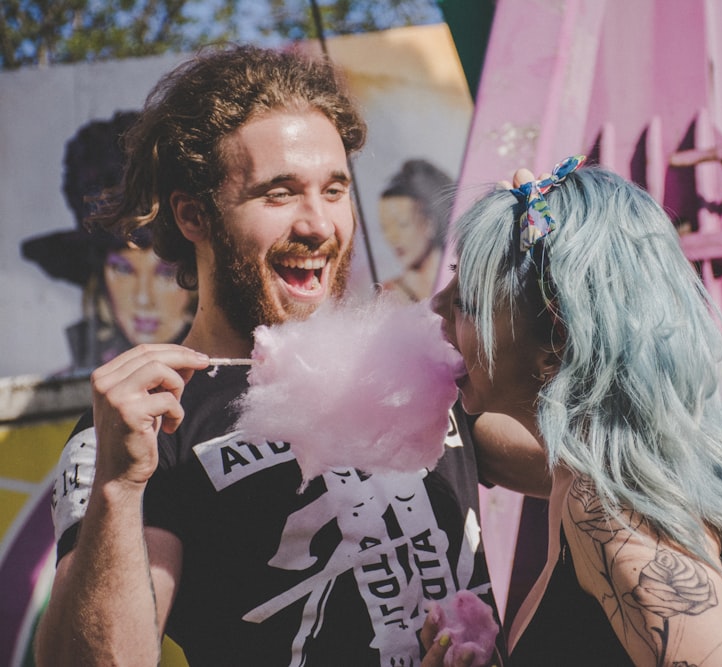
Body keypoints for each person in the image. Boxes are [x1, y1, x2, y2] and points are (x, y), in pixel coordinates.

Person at [37, 44, 501, 667]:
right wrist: (119, 487)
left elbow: (588, 476)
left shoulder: (413, 363)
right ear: (193, 214)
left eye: (334, 189)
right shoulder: (149, 421)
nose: (318, 225)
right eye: (279, 194)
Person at [430, 157, 722, 665]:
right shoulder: (606, 465)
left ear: (556, 338)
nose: (437, 307)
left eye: (466, 300)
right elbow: (479, 449)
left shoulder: (611, 508)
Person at [21, 112, 195, 374]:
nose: (144, 299)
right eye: (123, 269)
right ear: (101, 276)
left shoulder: (240, 376)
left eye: (166, 272)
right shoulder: (71, 390)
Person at [377, 158, 454, 302]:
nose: (392, 237)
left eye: (402, 224)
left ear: (430, 222)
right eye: (385, 228)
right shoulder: (387, 297)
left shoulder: (465, 284)